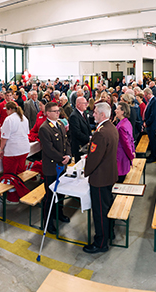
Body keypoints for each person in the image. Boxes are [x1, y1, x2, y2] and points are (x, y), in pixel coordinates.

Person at [83, 102, 118, 253]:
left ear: (102, 115)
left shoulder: (101, 133)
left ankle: (101, 242)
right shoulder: (111, 128)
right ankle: (109, 233)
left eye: (96, 112)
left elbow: (95, 158)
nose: (93, 114)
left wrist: (86, 171)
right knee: (107, 206)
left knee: (99, 211)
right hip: (109, 173)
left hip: (100, 177)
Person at [39, 102, 71, 235]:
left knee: (60, 193)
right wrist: (61, 158)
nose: (58, 113)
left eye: (58, 110)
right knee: (50, 195)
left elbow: (66, 142)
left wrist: (68, 155)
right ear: (48, 113)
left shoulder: (61, 125)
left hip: (62, 164)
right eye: (55, 111)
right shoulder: (44, 128)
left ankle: (59, 213)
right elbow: (48, 149)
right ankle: (47, 221)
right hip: (51, 167)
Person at [0, 102, 30, 204]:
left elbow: (4, 137)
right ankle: (20, 192)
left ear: (9, 110)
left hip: (13, 151)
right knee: (19, 173)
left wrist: (1, 149)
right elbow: (27, 133)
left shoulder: (9, 119)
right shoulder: (24, 118)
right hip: (24, 149)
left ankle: (12, 198)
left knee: (9, 175)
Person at [115, 102, 135, 182]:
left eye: (117, 109)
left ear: (123, 111)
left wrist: (131, 156)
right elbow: (131, 139)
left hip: (121, 156)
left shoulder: (121, 127)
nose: (115, 111)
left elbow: (126, 144)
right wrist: (133, 151)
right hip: (125, 155)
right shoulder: (126, 122)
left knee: (120, 180)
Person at [69, 97, 91, 163]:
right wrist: (88, 138)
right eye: (84, 103)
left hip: (85, 144)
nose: (86, 105)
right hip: (79, 146)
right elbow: (77, 133)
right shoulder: (74, 116)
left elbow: (87, 127)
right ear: (78, 104)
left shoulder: (83, 113)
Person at [143, 88, 156, 163]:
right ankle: (152, 154)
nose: (145, 97)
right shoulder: (150, 101)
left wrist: (147, 122)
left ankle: (154, 156)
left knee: (153, 141)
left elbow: (153, 115)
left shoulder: (155, 102)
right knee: (151, 140)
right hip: (150, 124)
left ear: (149, 94)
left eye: (146, 95)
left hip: (152, 125)